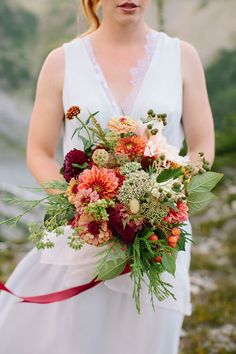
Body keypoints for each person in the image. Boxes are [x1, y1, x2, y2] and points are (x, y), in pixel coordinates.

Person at [0, 1, 215, 353]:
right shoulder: (61, 61)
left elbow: (203, 146)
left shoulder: (182, 56)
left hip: (160, 238)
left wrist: (164, 197)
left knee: (149, 339)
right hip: (86, 232)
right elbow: (38, 150)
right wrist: (80, 200)